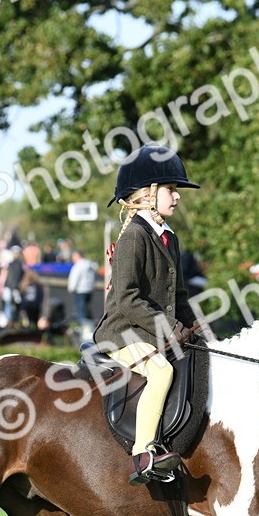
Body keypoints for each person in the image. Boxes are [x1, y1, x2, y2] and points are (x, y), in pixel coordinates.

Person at [94, 144, 200, 485]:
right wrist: (170, 327)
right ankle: (144, 453)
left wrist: (196, 329)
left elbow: (179, 295)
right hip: (123, 332)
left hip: (151, 331)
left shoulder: (169, 237)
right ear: (148, 195)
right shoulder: (134, 237)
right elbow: (125, 299)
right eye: (171, 190)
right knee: (161, 371)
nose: (177, 197)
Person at [67, 249, 97, 325]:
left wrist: (71, 289)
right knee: (87, 311)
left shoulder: (78, 265)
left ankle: (84, 330)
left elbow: (74, 278)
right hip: (89, 290)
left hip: (80, 291)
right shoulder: (89, 264)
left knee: (81, 313)